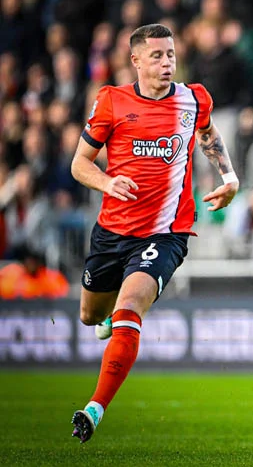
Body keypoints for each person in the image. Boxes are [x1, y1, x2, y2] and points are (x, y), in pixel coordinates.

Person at [69, 23, 239, 443]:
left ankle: (94, 409)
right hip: (112, 231)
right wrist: (107, 182)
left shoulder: (193, 99)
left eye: (171, 54)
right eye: (157, 55)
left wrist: (230, 176)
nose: (167, 63)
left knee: (130, 306)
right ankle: (109, 316)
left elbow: (208, 133)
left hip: (166, 233)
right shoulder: (112, 101)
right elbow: (80, 163)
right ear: (136, 61)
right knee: (90, 315)